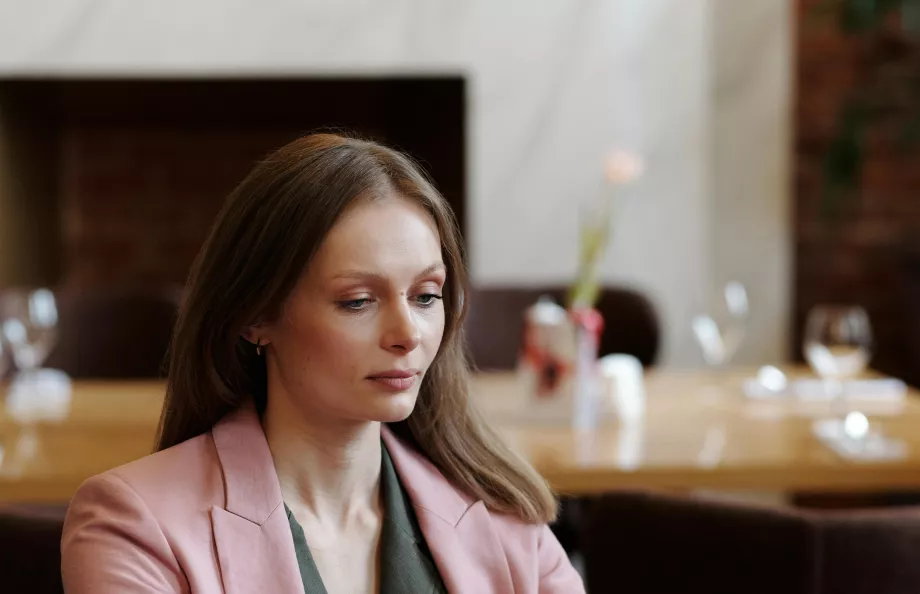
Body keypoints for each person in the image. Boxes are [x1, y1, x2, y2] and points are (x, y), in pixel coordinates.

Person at [60, 133, 585, 593]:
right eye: (358, 301)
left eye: (426, 295)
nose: (408, 334)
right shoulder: (134, 525)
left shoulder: (507, 522)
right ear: (256, 316)